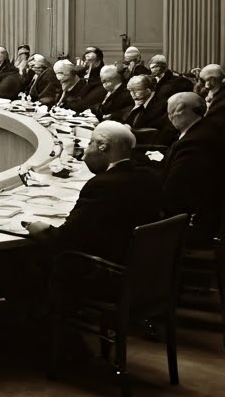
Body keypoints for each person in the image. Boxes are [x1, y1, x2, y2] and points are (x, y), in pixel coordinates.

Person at [24, 121, 160, 289]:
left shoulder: (102, 185)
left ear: (103, 146)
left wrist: (41, 229)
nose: (85, 153)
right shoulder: (150, 176)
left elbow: (66, 239)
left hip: (106, 273)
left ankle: (38, 313)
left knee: (25, 259)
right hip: (142, 268)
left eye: (89, 143)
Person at [161, 92, 223, 242]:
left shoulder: (195, 141)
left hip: (192, 221)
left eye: (171, 112)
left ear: (181, 110)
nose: (170, 117)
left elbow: (176, 189)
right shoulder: (204, 128)